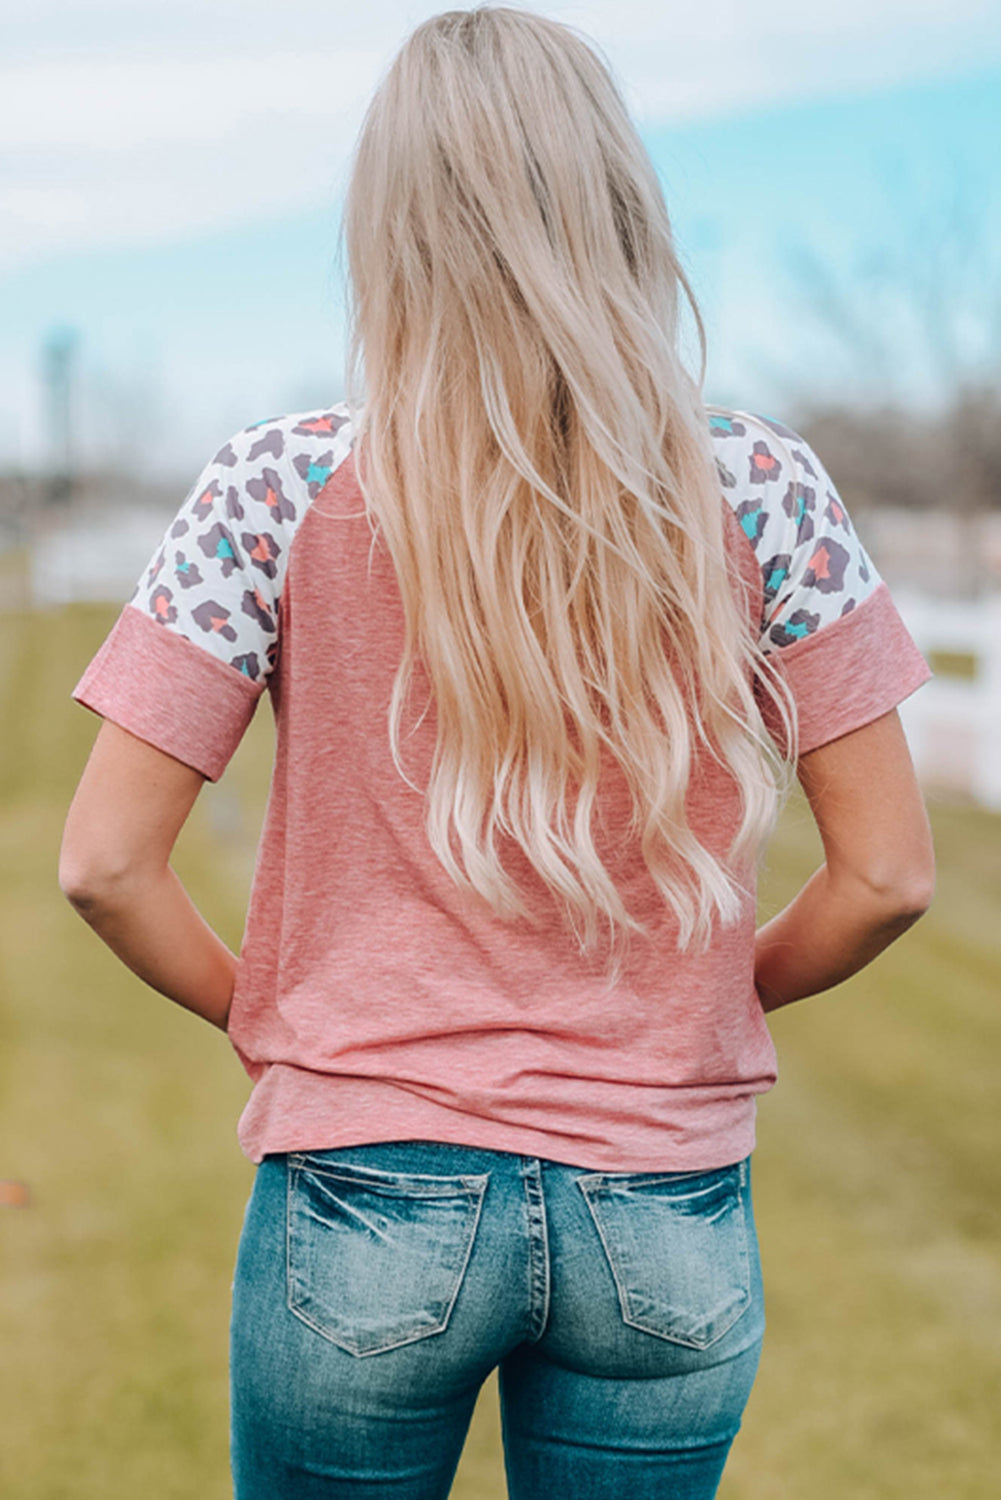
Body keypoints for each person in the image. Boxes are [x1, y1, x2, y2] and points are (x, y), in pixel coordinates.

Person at [59, 6, 936, 1497]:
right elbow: (889, 876)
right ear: (618, 207)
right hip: (663, 1205)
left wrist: (278, 1020)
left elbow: (104, 865)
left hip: (364, 1195)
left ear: (389, 227)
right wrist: (708, 1001)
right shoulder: (760, 486)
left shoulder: (275, 485)